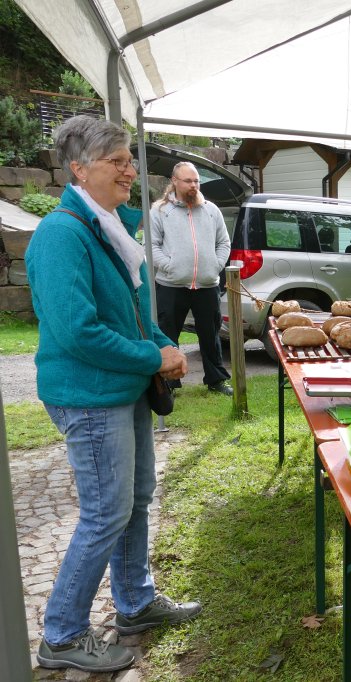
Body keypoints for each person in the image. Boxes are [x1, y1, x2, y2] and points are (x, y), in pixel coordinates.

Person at [25, 115, 202, 674]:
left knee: (135, 500)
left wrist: (163, 343)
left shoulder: (107, 226)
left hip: (123, 389)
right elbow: (77, 332)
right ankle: (61, 635)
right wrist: (153, 358)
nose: (130, 171)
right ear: (80, 169)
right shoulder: (62, 234)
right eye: (117, 162)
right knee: (105, 513)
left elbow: (132, 314)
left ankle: (136, 603)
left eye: (129, 160)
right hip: (90, 395)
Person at [151, 161, 233, 396]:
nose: (193, 185)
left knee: (210, 335)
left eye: (196, 181)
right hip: (171, 284)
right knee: (168, 335)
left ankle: (216, 380)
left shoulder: (211, 210)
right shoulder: (159, 210)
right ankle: (170, 382)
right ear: (174, 181)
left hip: (207, 285)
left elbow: (224, 243)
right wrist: (170, 267)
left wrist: (215, 266)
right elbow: (151, 245)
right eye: (188, 181)